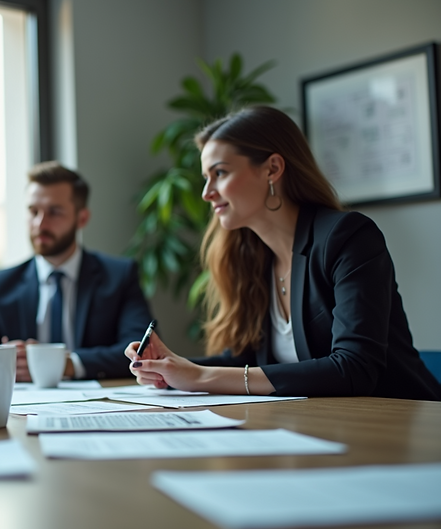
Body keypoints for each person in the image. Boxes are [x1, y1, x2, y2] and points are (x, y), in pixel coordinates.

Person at [126, 106, 441, 401]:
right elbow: (246, 359)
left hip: (403, 424)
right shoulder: (251, 256)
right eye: (206, 177)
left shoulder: (347, 237)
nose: (206, 192)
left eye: (219, 173)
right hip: (321, 427)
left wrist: (202, 377)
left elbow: (354, 368)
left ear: (272, 169)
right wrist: (171, 368)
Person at [0, 161, 153, 381]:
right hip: (23, 411)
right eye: (33, 211)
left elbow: (141, 352)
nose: (40, 224)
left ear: (82, 218)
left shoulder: (119, 276)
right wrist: (1, 358)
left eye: (54, 212)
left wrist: (65, 363)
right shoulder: (4, 284)